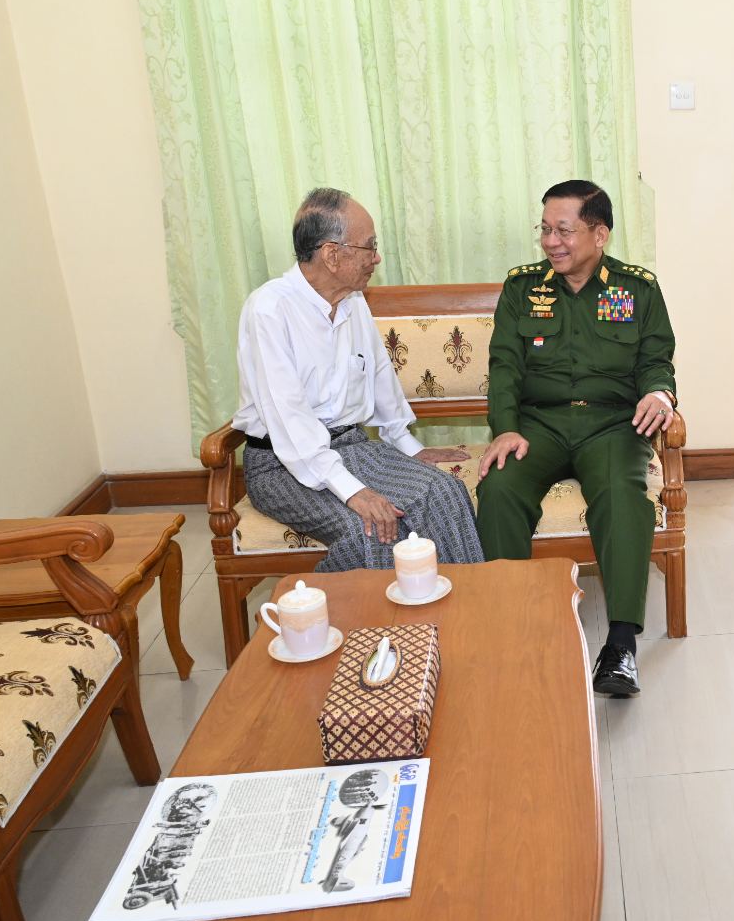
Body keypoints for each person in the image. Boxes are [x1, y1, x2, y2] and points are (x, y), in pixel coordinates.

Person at [476, 180, 677, 696]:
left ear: (599, 234)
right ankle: (514, 630)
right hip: (537, 425)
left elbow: (656, 360)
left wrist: (660, 394)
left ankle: (621, 646)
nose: (551, 241)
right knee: (499, 488)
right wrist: (506, 429)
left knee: (622, 495)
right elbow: (505, 366)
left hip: (611, 426)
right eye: (545, 229)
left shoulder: (636, 289)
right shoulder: (523, 288)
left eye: (564, 230)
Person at [232, 187, 484, 572]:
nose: (376, 257)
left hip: (352, 448)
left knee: (444, 492)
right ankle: (314, 606)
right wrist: (354, 492)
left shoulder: (352, 301)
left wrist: (407, 444)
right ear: (332, 254)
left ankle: (466, 600)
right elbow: (290, 420)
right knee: (372, 529)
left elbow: (379, 375)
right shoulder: (269, 310)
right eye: (370, 246)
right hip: (280, 464)